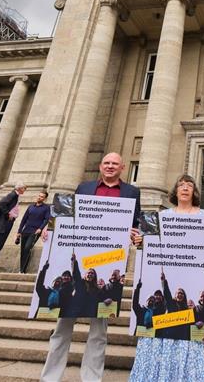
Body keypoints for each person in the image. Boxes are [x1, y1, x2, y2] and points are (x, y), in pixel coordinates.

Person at [40, 152, 141, 382]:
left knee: (99, 330)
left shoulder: (131, 192)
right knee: (62, 326)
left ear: (123, 167)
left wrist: (136, 234)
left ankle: (91, 379)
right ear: (100, 165)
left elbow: (135, 222)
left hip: (108, 265)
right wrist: (51, 228)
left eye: (115, 163)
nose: (110, 166)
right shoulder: (83, 187)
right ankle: (50, 378)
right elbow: (68, 217)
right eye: (106, 163)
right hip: (78, 264)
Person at [128, 174, 204, 382]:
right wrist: (142, 241)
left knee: (186, 333)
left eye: (189, 185)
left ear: (194, 191)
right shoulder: (163, 216)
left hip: (192, 279)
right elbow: (148, 246)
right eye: (181, 185)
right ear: (175, 191)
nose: (185, 188)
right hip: (168, 275)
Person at [16, 189, 51, 273]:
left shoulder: (46, 208)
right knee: (23, 250)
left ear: (45, 199)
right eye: (39, 196)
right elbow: (24, 220)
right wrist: (19, 231)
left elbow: (46, 219)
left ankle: (22, 270)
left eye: (42, 197)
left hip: (35, 232)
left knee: (28, 248)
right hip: (25, 231)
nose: (39, 197)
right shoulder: (31, 207)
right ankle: (22, 270)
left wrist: (40, 228)